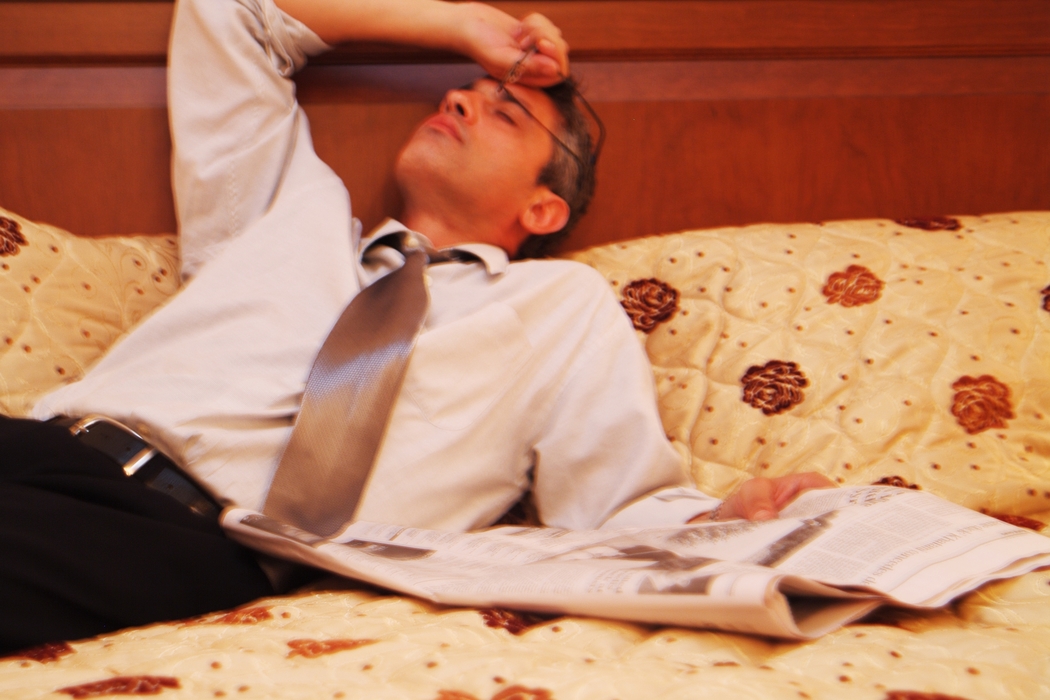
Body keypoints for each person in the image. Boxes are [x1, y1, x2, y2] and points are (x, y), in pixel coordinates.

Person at [0, 0, 831, 653]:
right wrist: (463, 24)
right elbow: (229, 11)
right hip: (41, 440)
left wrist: (730, 516)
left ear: (543, 206)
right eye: (466, 89)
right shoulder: (285, 205)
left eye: (505, 114)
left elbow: (617, 507)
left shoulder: (559, 306)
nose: (463, 96)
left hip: (184, 532)